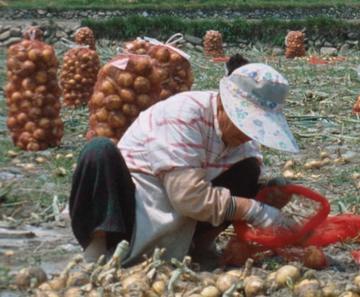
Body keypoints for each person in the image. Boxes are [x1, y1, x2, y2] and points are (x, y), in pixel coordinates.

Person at [68, 64, 299, 267]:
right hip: (132, 212)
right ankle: (97, 251)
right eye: (246, 124)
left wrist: (267, 192)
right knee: (99, 150)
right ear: (224, 104)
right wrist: (254, 210)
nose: (250, 136)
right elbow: (187, 197)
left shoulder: (241, 141)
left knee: (248, 168)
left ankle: (199, 248)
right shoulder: (183, 114)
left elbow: (240, 186)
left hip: (181, 222)